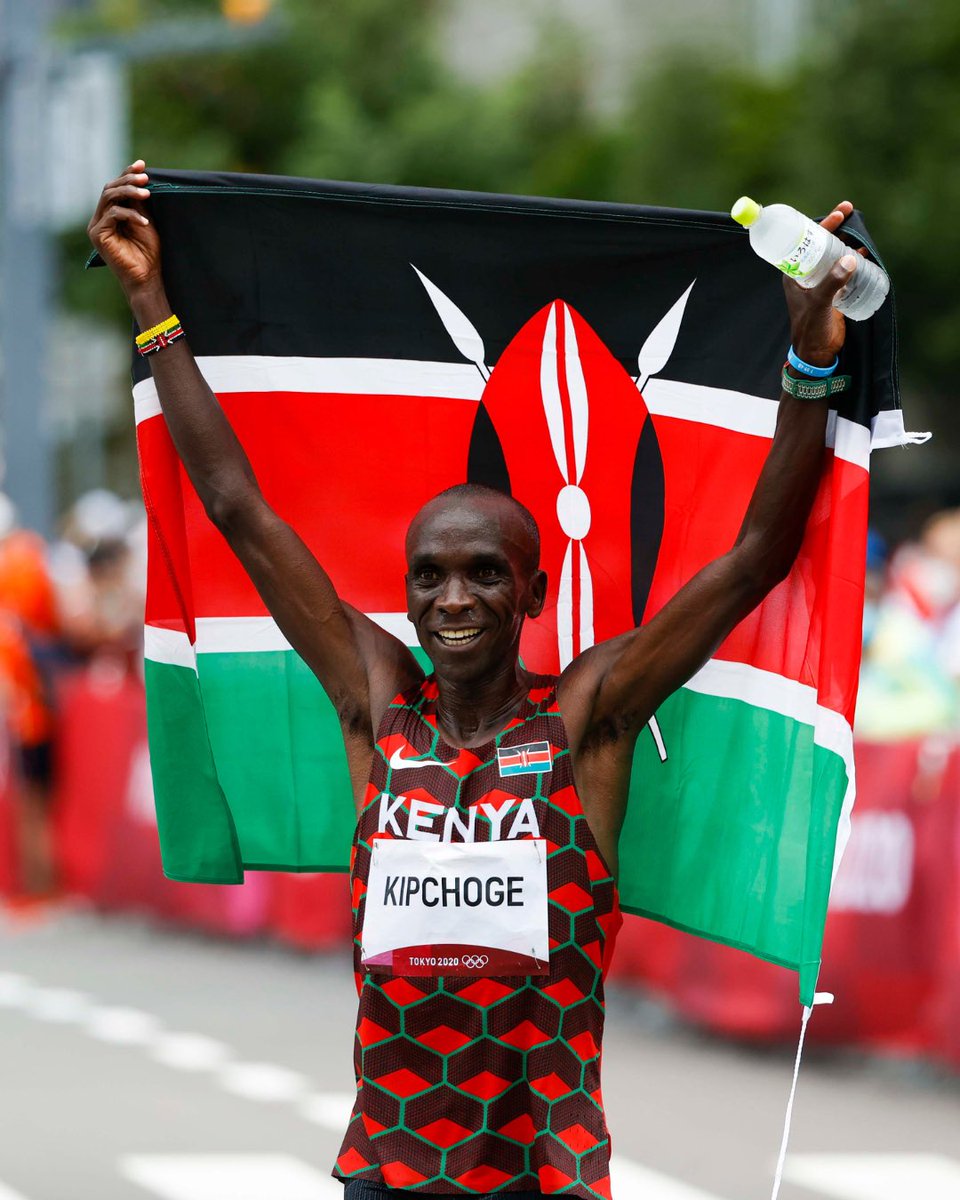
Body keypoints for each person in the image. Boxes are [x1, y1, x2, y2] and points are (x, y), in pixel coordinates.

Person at [89, 160, 864, 1200]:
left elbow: (755, 556)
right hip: (390, 1165)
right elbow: (237, 507)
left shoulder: (589, 715)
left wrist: (810, 365)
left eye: (485, 574)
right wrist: (149, 305)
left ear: (533, 595)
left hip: (545, 1174)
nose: (455, 599)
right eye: (432, 578)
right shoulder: (378, 700)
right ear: (407, 597)